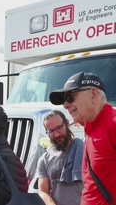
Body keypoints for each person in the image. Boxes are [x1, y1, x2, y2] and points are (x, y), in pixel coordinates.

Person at [50, 71, 116, 205]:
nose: (65, 105)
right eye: (64, 100)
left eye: (70, 97)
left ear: (93, 95)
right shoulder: (91, 131)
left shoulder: (113, 124)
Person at [36, 110, 83, 205]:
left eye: (59, 128)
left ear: (67, 124)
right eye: (51, 131)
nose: (56, 134)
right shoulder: (44, 160)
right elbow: (42, 191)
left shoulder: (85, 150)